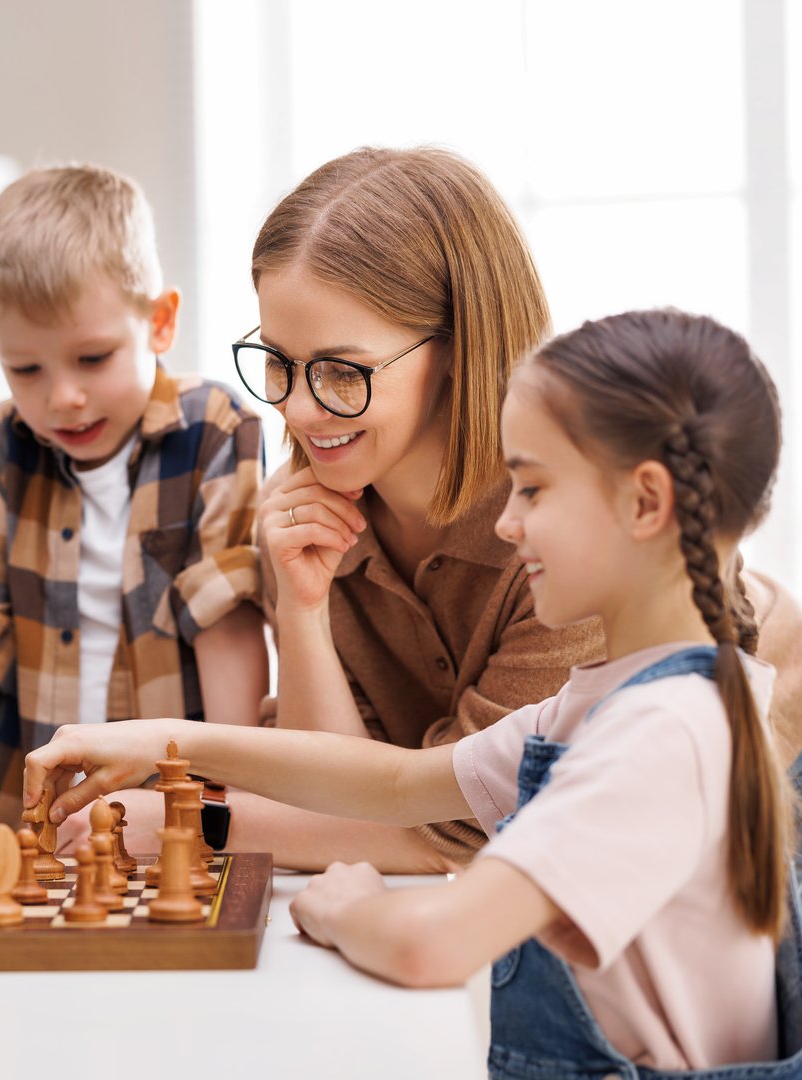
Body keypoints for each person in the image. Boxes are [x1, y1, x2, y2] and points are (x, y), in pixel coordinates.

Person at [28, 310, 802, 1075]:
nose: (504, 523)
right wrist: (170, 741)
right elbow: (398, 783)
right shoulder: (609, 703)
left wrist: (347, 911)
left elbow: (433, 944)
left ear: (644, 503)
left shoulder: (662, 735)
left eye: (531, 489)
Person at [232, 146, 802, 871]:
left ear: (457, 349)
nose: (298, 408)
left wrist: (211, 824)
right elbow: (335, 798)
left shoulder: (564, 539)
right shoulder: (301, 519)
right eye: (278, 362)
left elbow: (477, 828)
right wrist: (302, 613)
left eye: (342, 372)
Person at [0, 164, 266, 853]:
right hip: (20, 815)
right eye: (25, 369)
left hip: (165, 814)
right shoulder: (0, 444)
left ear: (159, 321)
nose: (60, 396)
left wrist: (223, 807)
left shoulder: (214, 428)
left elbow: (227, 626)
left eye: (92, 358)